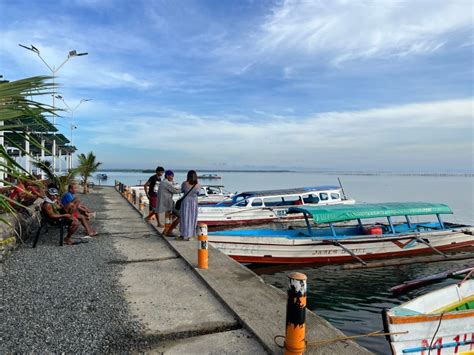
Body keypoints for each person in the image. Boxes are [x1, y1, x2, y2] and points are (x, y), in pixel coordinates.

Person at [156, 170, 181, 236]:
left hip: (165, 202)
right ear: (167, 176)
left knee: (169, 216)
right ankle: (169, 231)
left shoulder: (163, 182)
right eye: (171, 176)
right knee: (179, 215)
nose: (172, 177)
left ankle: (166, 230)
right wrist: (183, 190)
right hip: (167, 203)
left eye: (173, 176)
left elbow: (171, 189)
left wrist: (172, 184)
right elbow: (175, 191)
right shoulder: (166, 183)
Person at [178, 170, 200, 241]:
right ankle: (191, 235)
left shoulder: (184, 183)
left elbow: (182, 190)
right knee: (192, 218)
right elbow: (198, 193)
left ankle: (183, 234)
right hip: (194, 202)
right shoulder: (198, 185)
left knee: (184, 218)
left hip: (185, 202)